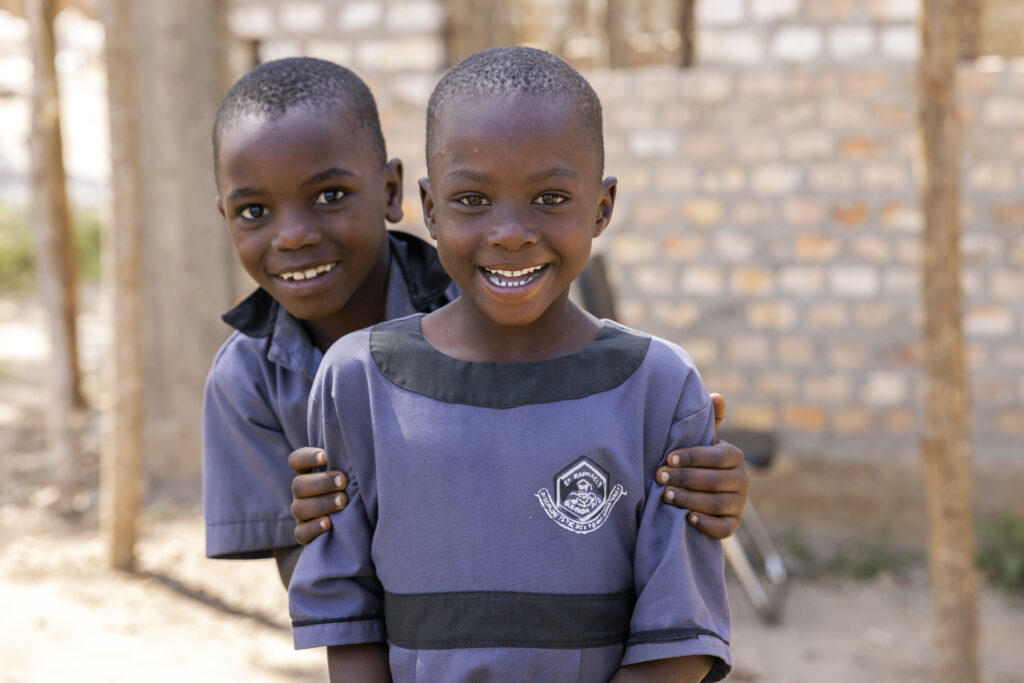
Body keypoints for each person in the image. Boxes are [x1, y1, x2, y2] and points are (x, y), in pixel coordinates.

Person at [203, 56, 748, 591]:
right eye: (254, 210)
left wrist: (692, 473)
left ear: (392, 194)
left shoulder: (489, 293)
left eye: (330, 196)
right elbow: (316, 581)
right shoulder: (244, 380)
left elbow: (610, 460)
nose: (294, 235)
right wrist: (334, 526)